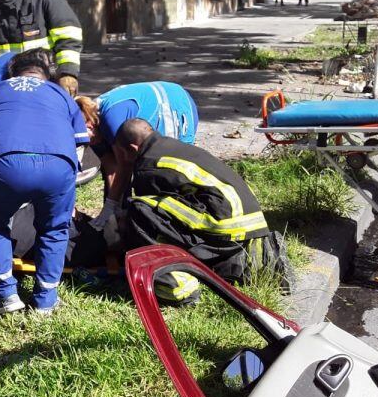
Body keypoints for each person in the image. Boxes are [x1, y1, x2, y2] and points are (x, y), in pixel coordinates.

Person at [0, 49, 90, 315]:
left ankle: (4, 295)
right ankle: (46, 299)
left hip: (5, 163)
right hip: (58, 165)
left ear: (11, 73)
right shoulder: (60, 93)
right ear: (46, 74)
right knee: (54, 228)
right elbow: (81, 141)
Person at [114, 119, 286, 289]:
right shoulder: (170, 146)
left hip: (226, 226)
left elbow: (150, 220)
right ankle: (240, 263)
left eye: (121, 155)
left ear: (132, 149)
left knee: (138, 209)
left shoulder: (148, 167)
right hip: (251, 223)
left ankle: (174, 279)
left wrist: (123, 235)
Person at [76, 81, 198, 230]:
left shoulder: (111, 120)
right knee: (123, 196)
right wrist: (110, 208)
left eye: (83, 141)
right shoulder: (90, 122)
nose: (85, 145)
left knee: (162, 172)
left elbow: (125, 165)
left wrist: (111, 205)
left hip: (176, 103)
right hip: (154, 104)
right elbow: (111, 168)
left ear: (90, 126)